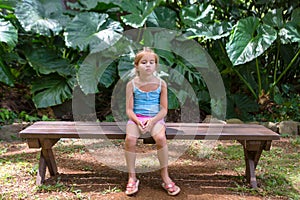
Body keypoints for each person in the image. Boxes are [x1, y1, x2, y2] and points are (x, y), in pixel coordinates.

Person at [124, 47, 181, 196]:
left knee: (161, 138)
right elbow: (129, 110)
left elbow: (164, 109)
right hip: (137, 119)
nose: (148, 65)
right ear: (137, 66)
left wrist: (152, 121)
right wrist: (138, 121)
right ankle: (132, 177)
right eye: (144, 62)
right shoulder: (131, 84)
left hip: (156, 119)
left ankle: (165, 176)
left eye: (151, 62)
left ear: (156, 65)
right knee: (130, 139)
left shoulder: (161, 84)